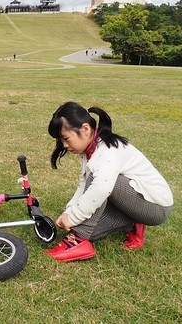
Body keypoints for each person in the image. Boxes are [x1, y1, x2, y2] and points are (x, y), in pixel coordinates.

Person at [44, 102, 173, 262]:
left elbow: (101, 188)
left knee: (98, 186)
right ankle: (131, 224)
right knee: (89, 228)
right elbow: (83, 185)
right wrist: (69, 212)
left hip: (156, 208)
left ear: (85, 129)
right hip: (133, 201)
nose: (64, 145)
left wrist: (74, 218)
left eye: (66, 138)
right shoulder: (90, 150)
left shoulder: (108, 150)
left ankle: (77, 241)